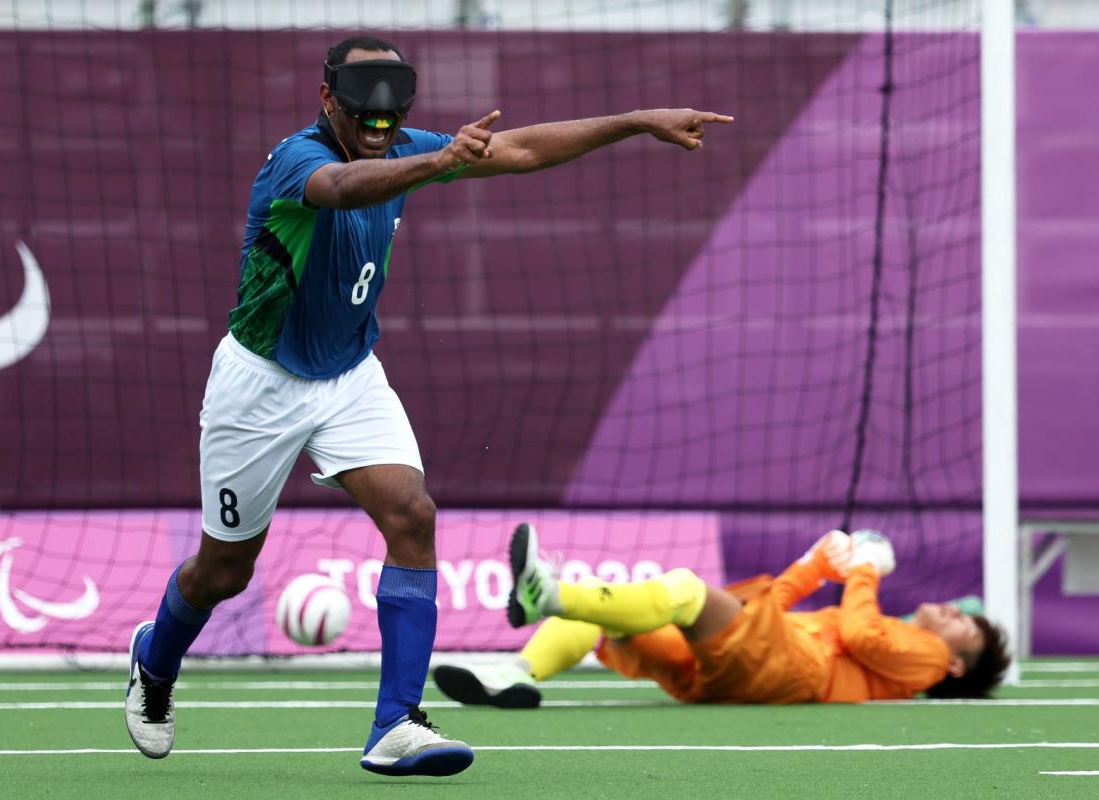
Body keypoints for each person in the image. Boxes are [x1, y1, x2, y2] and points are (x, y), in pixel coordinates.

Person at [123, 34, 735, 776]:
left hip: (349, 374)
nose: (378, 130)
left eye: (391, 118)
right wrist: (440, 160)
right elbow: (346, 190)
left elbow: (522, 151)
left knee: (412, 514)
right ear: (327, 100)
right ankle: (155, 661)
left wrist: (636, 120)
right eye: (364, 116)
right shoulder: (296, 161)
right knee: (224, 573)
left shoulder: (402, 148)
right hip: (261, 382)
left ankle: (397, 724)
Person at [433, 525, 1009, 709]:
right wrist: (810, 567)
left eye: (966, 625)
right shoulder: (899, 641)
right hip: (753, 669)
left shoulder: (928, 660)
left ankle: (549, 596)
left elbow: (858, 628)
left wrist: (865, 570)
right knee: (616, 615)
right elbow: (768, 617)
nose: (955, 611)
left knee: (684, 590)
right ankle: (517, 673)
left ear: (958, 666)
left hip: (785, 673)